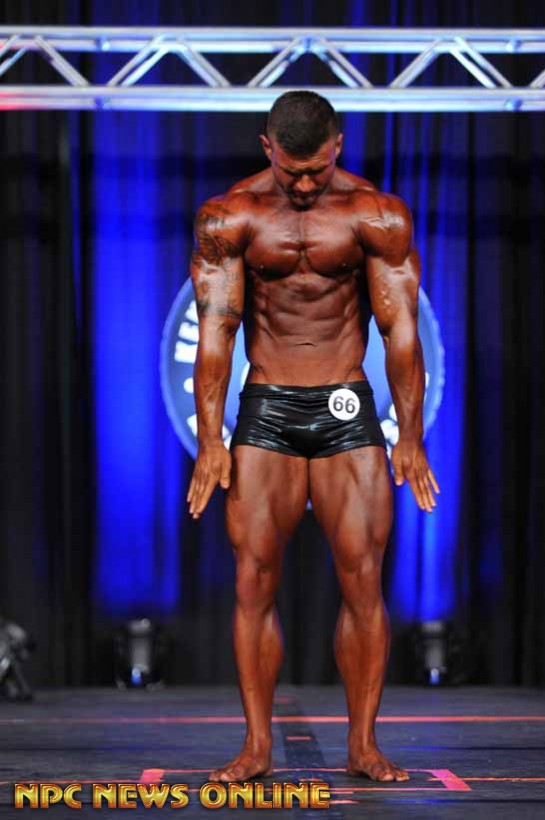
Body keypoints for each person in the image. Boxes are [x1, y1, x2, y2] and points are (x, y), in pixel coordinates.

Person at [187, 91, 440, 783]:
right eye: (291, 171)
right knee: (253, 579)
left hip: (344, 405)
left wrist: (410, 435)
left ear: (338, 147)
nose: (303, 186)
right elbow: (217, 333)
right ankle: (255, 745)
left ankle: (363, 744)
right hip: (268, 406)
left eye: (317, 171)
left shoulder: (376, 215)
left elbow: (401, 331)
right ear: (267, 147)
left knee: (362, 579)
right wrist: (211, 440)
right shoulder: (230, 216)